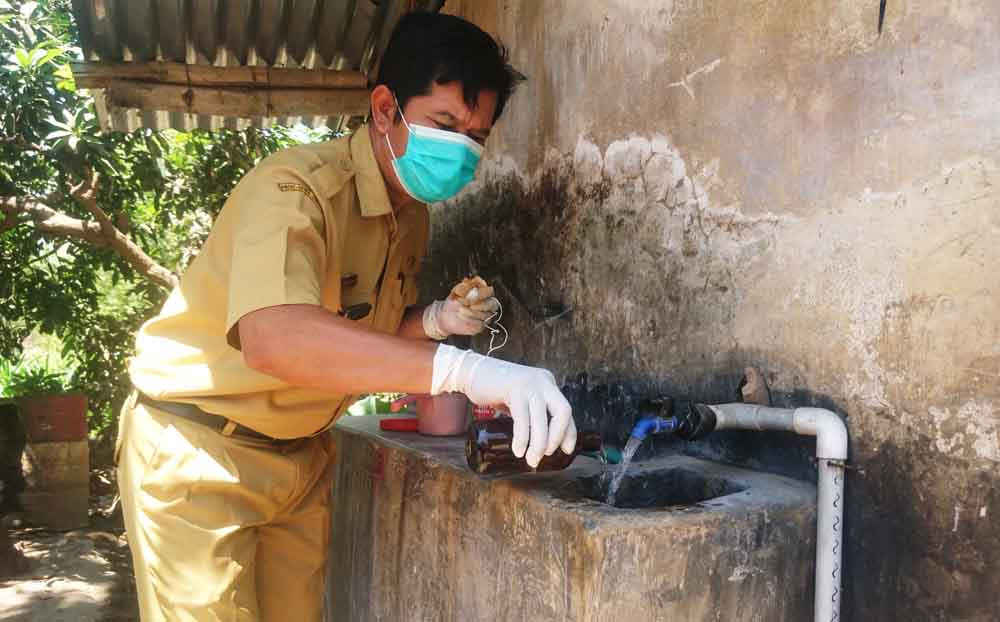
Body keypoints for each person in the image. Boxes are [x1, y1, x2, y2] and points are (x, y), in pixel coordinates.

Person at [115, 11, 577, 622]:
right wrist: (464, 371)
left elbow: (363, 336)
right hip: (201, 450)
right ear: (384, 108)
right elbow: (274, 336)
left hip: (301, 457)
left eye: (477, 136)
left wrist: (435, 321)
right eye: (444, 123)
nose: (462, 150)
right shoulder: (293, 191)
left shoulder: (410, 216)